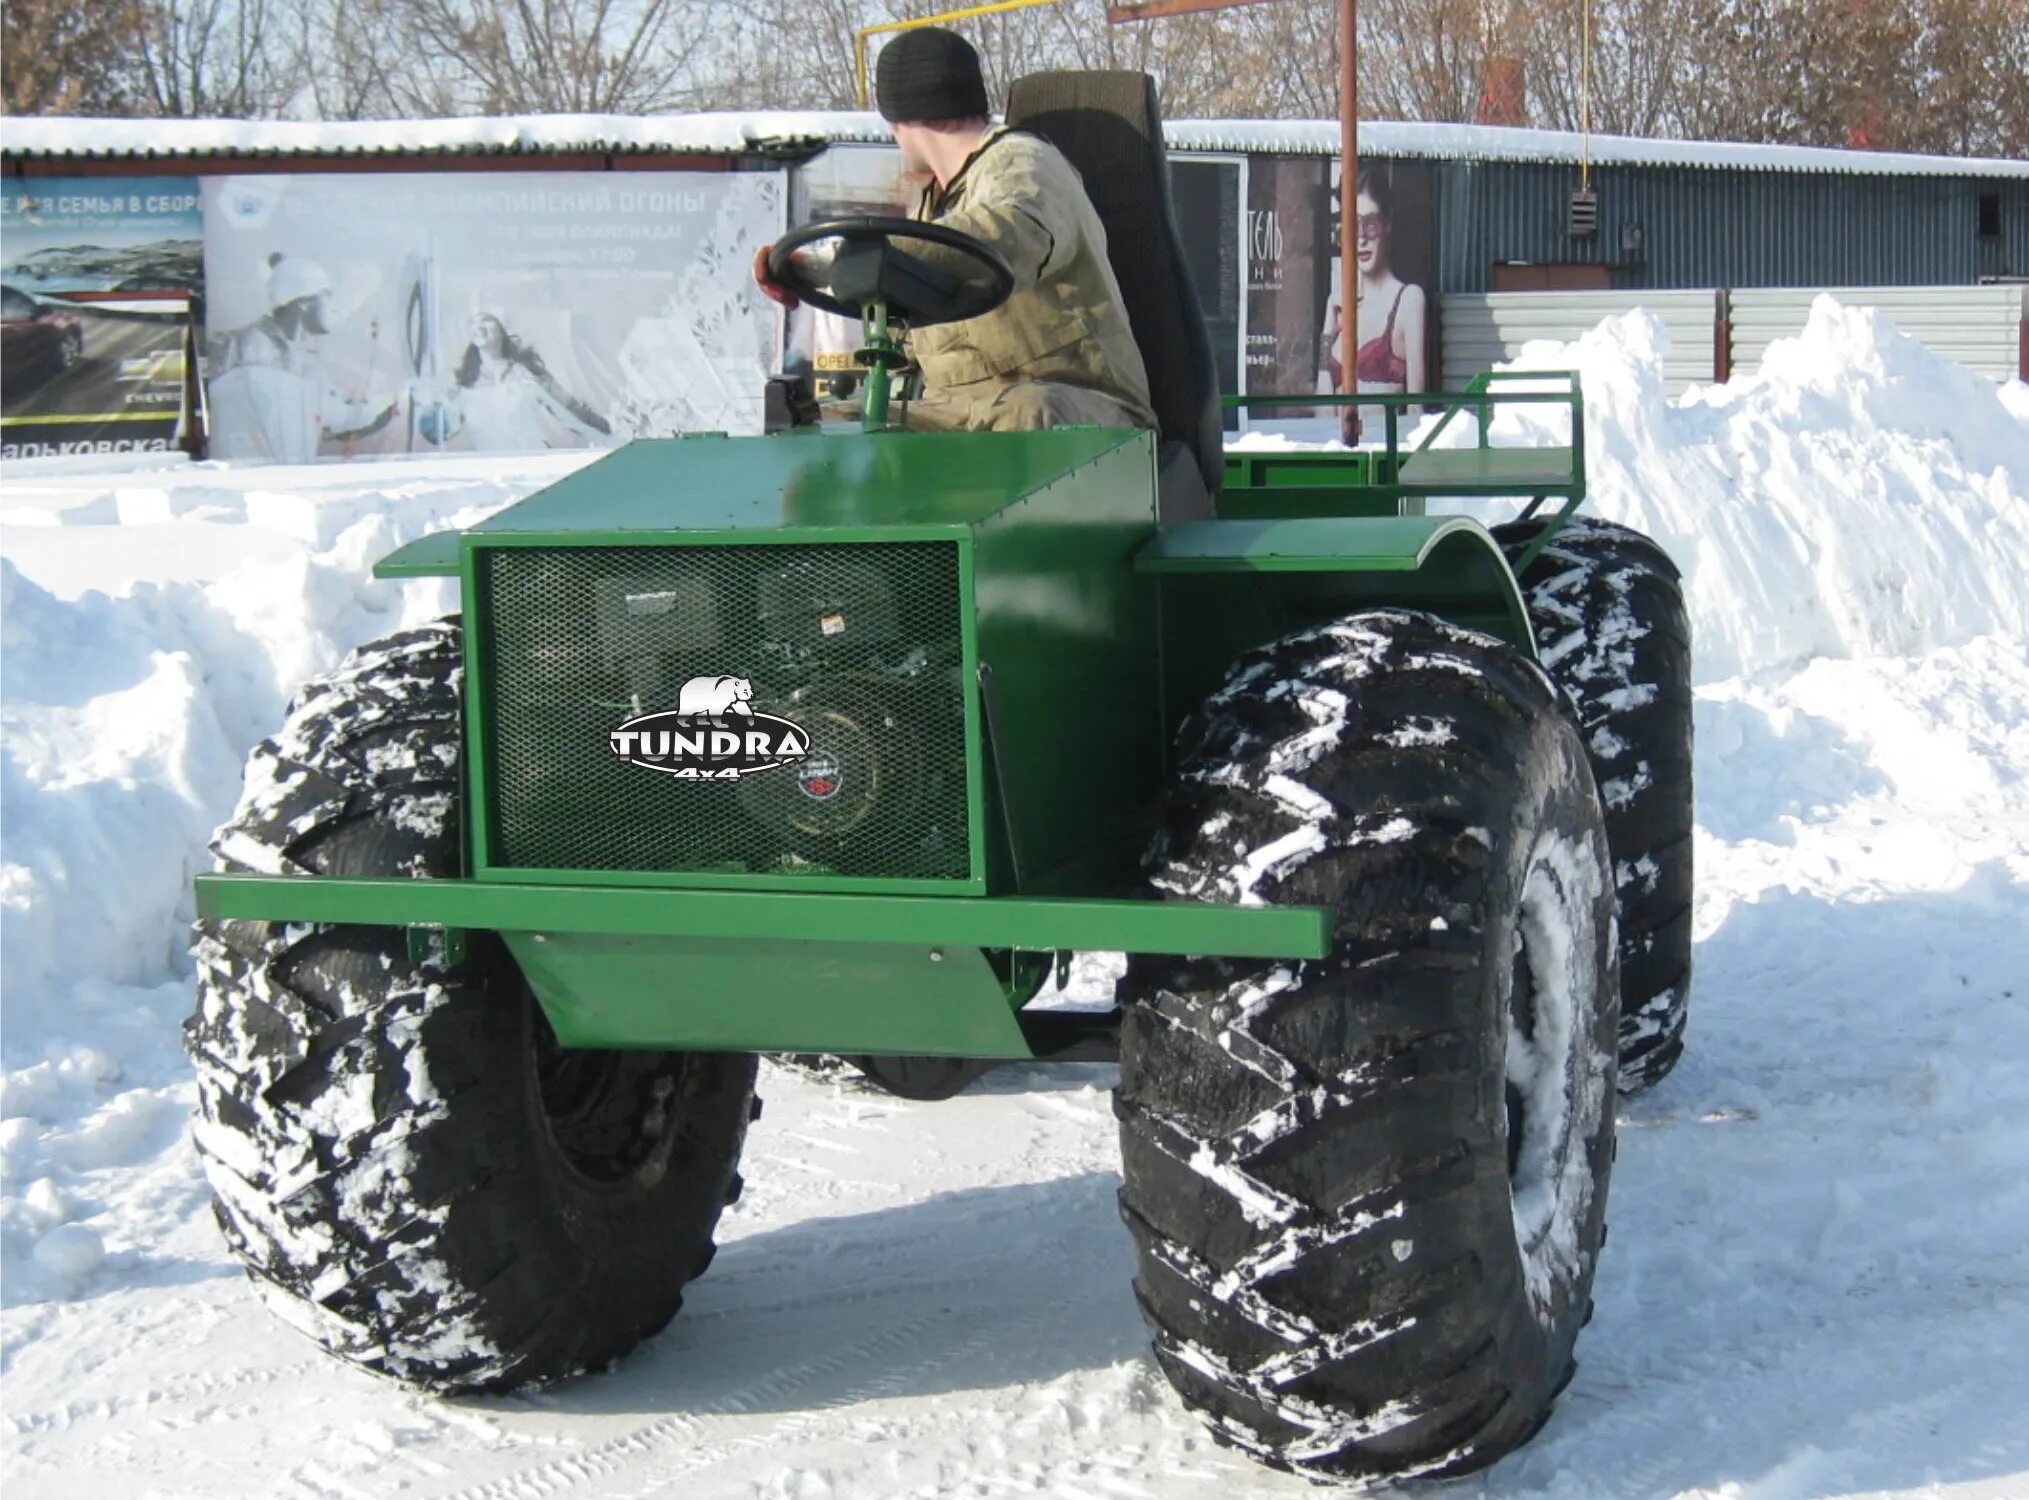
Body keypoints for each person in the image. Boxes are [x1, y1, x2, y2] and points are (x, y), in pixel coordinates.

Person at [755, 28, 1155, 434]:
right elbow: (910, 323)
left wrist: (845, 262)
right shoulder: (929, 206)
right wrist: (810, 273)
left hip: (1079, 404)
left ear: (899, 119)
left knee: (1026, 413)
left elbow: (1009, 235)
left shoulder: (1024, 163)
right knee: (825, 427)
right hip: (957, 409)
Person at [207, 253, 397, 463]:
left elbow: (342, 418)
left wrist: (388, 402)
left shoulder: (304, 358)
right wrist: (392, 400)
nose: (332, 308)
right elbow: (336, 414)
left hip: (289, 478)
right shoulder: (250, 347)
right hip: (250, 480)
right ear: (304, 303)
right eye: (326, 296)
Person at [1318, 169, 1427, 443]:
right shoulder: (1338, 304)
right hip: (1338, 452)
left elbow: (1416, 405)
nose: (1361, 238)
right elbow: (1320, 413)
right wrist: (1328, 332)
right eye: (1352, 226)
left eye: (1370, 224)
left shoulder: (1408, 300)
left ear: (1386, 224)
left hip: (1384, 449)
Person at [418, 312, 610, 450]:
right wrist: (435, 407)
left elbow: (570, 409)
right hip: (489, 474)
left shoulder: (526, 374)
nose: (479, 326)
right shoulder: (462, 386)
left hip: (533, 467)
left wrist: (610, 437)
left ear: (502, 330)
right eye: (473, 323)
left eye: (487, 320)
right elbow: (436, 434)